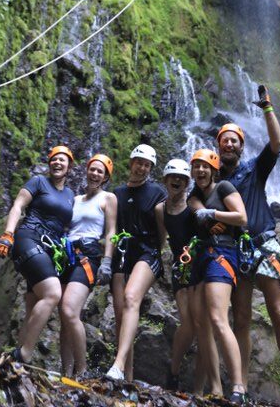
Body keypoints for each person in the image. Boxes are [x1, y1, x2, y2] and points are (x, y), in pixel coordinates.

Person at [216, 85, 280, 407]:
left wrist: (267, 108)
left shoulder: (254, 168)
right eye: (224, 140)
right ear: (218, 147)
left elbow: (277, 143)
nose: (229, 143)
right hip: (236, 252)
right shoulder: (213, 181)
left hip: (264, 244)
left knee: (279, 312)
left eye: (234, 140)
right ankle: (239, 388)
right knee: (240, 317)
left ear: (241, 147)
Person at [0, 145, 75, 367]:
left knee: (33, 305)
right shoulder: (38, 182)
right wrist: (8, 233)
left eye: (62, 160)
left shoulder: (70, 195)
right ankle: (24, 354)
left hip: (50, 249)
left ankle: (16, 362)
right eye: (54, 159)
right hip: (29, 238)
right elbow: (18, 205)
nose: (57, 163)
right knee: (52, 293)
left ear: (69, 167)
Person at [154, 158, 222, 395]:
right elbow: (162, 240)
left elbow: (210, 224)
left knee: (203, 325)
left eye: (182, 179)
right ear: (165, 180)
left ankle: (198, 389)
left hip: (201, 265)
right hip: (180, 267)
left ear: (187, 182)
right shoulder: (160, 209)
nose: (177, 181)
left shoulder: (194, 205)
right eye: (173, 177)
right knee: (189, 323)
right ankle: (173, 371)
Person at [188, 148, 248, 405]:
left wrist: (213, 214)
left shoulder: (223, 187)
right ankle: (216, 388)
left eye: (205, 167)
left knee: (218, 318)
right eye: (197, 167)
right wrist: (202, 210)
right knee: (202, 324)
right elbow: (194, 206)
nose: (201, 171)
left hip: (222, 252)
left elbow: (241, 217)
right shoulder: (194, 195)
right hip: (201, 255)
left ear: (214, 170)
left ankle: (238, 387)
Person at [105, 143, 166, 382]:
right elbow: (112, 228)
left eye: (147, 165)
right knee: (121, 314)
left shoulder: (157, 193)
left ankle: (117, 365)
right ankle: (126, 378)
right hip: (122, 252)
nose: (142, 168)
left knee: (131, 297)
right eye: (139, 163)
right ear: (131, 163)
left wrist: (156, 253)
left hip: (147, 251)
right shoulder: (116, 194)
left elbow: (162, 233)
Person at [59, 153, 117, 378]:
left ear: (105, 177)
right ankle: (65, 373)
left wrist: (107, 262)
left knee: (69, 309)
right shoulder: (74, 199)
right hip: (66, 255)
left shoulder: (108, 198)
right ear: (86, 171)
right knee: (65, 317)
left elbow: (111, 231)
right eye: (92, 169)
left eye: (99, 171)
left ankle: (82, 370)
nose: (94, 173)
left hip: (88, 255)